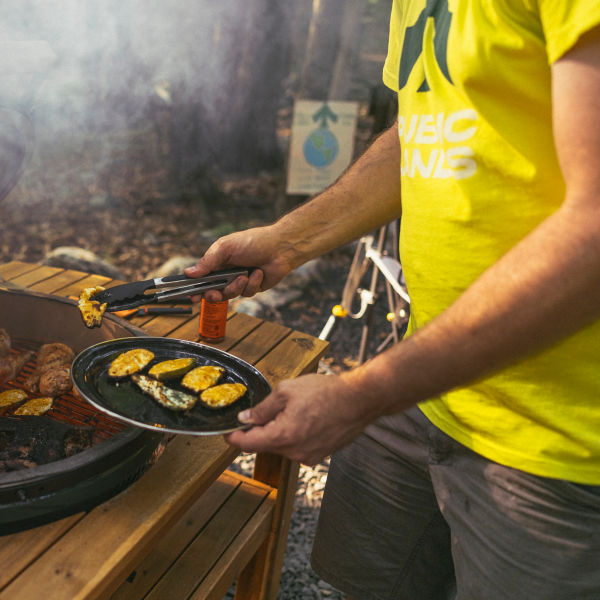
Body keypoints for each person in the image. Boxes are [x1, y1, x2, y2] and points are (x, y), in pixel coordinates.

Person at [185, 1, 600, 598]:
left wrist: (363, 394)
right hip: (427, 384)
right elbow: (427, 129)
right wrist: (288, 242)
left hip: (558, 441)